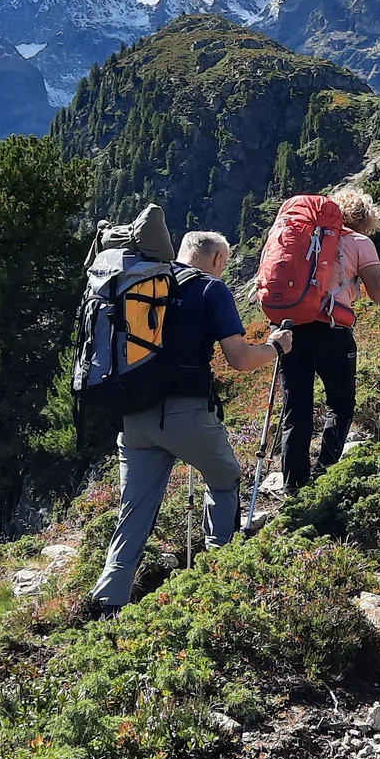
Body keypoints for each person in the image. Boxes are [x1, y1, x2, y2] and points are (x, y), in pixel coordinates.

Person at [89, 230, 292, 617]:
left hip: (133, 419)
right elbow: (240, 359)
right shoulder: (210, 290)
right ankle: (222, 575)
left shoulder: (141, 283)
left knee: (134, 511)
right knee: (224, 477)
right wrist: (276, 346)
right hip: (186, 415)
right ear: (217, 260)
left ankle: (108, 601)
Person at [273, 187, 380, 493]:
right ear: (365, 219)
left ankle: (293, 486)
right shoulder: (359, 243)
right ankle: (325, 473)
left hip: (291, 329)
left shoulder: (303, 238)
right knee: (340, 404)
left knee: (296, 408)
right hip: (332, 331)